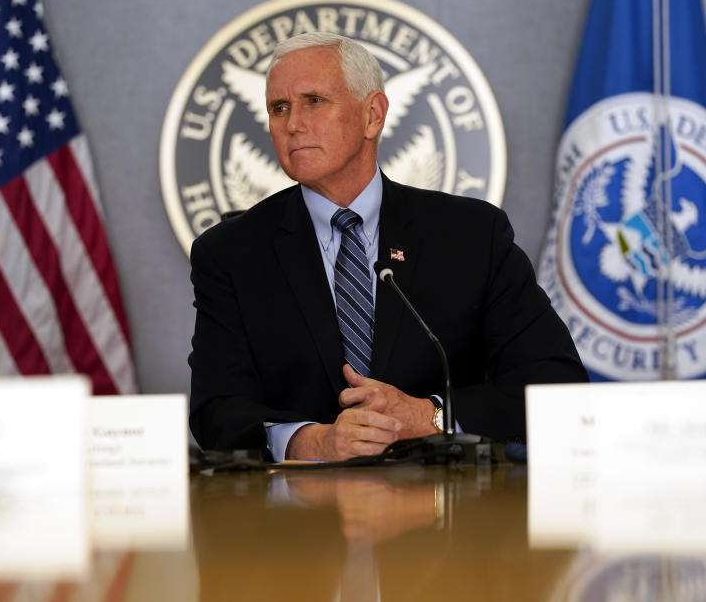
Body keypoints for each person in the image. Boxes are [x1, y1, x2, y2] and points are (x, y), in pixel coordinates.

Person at [188, 32, 587, 462]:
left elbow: (556, 386)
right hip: (302, 517)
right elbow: (217, 411)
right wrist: (312, 442)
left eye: (314, 101)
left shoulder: (471, 234)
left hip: (452, 516)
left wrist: (430, 417)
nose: (292, 124)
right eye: (279, 108)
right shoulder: (231, 253)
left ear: (372, 115)